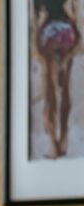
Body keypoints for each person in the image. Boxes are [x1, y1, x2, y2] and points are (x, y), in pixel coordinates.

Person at [34, 0, 81, 158]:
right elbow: (75, 21)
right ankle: (64, 138)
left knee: (50, 94)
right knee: (64, 90)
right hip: (67, 34)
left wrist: (38, 35)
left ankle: (54, 145)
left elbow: (38, 22)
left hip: (49, 37)